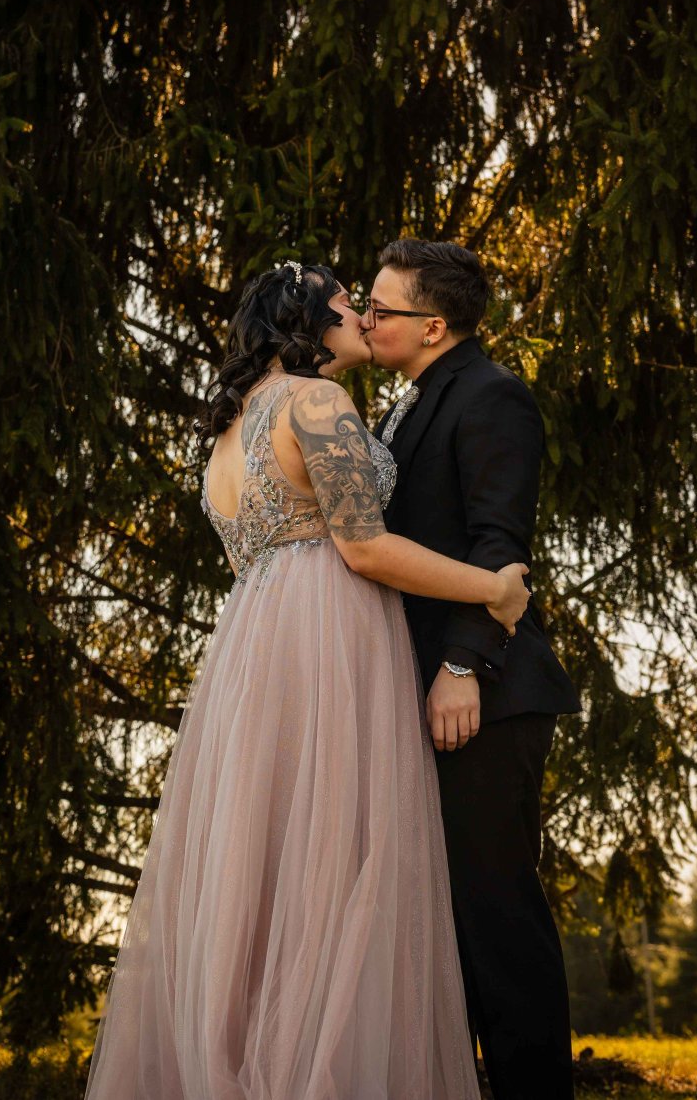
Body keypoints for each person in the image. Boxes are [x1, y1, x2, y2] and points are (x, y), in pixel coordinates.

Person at [83, 260, 531, 1100]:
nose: (365, 317)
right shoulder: (316, 401)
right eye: (348, 305)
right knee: (342, 856)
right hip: (329, 637)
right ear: (310, 322)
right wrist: (492, 589)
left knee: (275, 862)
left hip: (255, 649)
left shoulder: (232, 428)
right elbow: (362, 545)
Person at [364, 238, 582, 1100]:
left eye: (382, 308)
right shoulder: (413, 401)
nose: (367, 319)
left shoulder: (492, 395)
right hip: (415, 689)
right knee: (442, 922)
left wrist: (461, 663)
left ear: (434, 325)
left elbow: (500, 545)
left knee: (497, 917)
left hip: (485, 694)